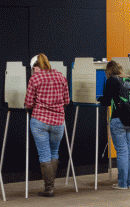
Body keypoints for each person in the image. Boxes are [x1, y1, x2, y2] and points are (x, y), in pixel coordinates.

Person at [25, 53, 70, 197]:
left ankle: (49, 188)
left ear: (35, 67)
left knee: (44, 154)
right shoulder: (60, 76)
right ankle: (50, 186)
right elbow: (66, 100)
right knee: (54, 153)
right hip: (58, 122)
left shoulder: (35, 78)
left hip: (40, 121)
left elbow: (28, 103)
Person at [98, 60, 130, 190]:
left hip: (118, 119)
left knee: (121, 151)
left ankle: (122, 183)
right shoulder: (129, 79)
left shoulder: (112, 80)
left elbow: (106, 100)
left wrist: (100, 98)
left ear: (108, 71)